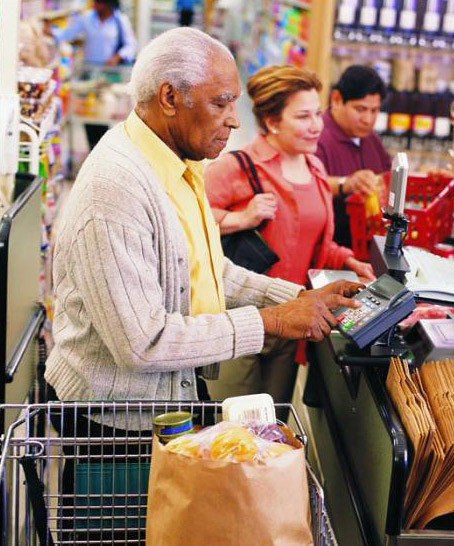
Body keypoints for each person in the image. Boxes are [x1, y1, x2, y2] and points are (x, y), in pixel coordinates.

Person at [45, 28, 361, 416]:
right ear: (170, 97)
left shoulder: (181, 166)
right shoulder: (115, 190)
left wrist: (298, 299)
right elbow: (142, 341)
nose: (234, 121)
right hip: (113, 424)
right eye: (221, 103)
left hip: (168, 399)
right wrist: (272, 321)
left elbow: (208, 271)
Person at [204, 65, 374, 402]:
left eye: (317, 115)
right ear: (272, 121)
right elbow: (188, 227)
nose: (315, 127)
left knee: (274, 424)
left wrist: (351, 262)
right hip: (240, 319)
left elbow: (314, 242)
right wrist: (241, 218)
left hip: (294, 318)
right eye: (302, 117)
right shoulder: (235, 166)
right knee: (232, 425)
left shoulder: (315, 169)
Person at [315, 65, 392, 248]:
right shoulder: (316, 136)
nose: (368, 119)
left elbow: (387, 175)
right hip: (331, 248)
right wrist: (346, 183)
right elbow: (307, 185)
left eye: (374, 111)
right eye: (360, 109)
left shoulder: (371, 139)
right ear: (336, 99)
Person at [49, 0, 136, 149]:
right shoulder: (87, 18)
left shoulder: (120, 21)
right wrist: (49, 32)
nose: (95, 6)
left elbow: (131, 45)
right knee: (89, 113)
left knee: (105, 111)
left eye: (99, 3)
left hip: (109, 75)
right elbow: (67, 34)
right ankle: (93, 146)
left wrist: (117, 57)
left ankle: (105, 145)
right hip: (89, 73)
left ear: (109, 4)